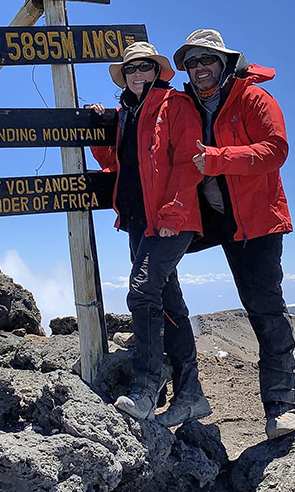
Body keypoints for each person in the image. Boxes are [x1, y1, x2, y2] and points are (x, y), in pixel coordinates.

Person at [173, 29, 295, 440]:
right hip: (209, 216)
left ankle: (280, 405)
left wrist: (215, 159)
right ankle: (180, 385)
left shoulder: (251, 97)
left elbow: (275, 149)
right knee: (150, 267)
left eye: (206, 59)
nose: (199, 68)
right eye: (192, 62)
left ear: (224, 62)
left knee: (265, 309)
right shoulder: (186, 103)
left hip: (254, 221)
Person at [88, 41, 210, 427]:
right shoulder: (127, 113)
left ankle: (145, 389)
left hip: (170, 220)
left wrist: (173, 212)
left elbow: (189, 161)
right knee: (168, 303)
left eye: (144, 67)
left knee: (141, 293)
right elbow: (117, 161)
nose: (137, 74)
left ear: (157, 71)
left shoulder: (175, 105)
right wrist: (98, 128)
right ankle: (191, 395)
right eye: (130, 69)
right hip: (139, 221)